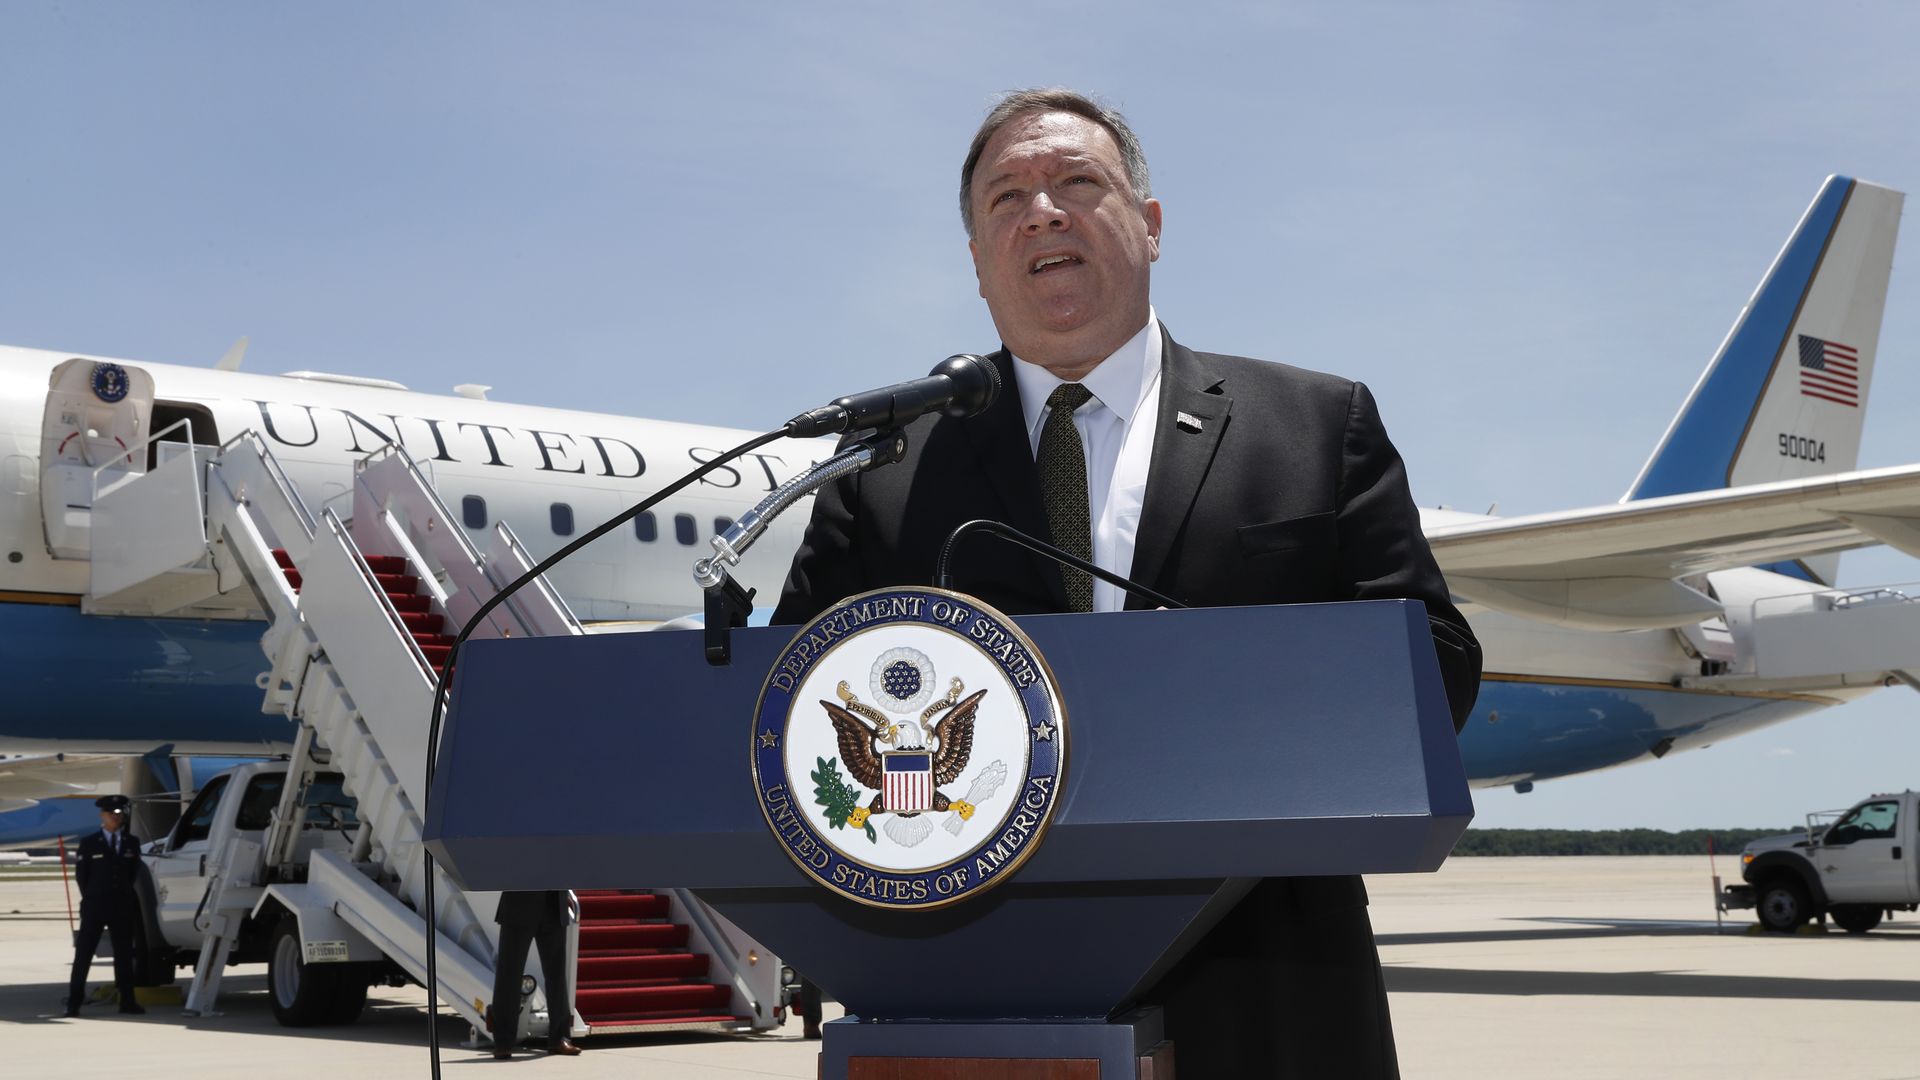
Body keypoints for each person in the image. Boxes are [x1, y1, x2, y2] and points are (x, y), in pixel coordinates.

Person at [771, 88, 1482, 1079]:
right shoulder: (883, 468)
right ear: (978, 260)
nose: (1043, 211)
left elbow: (1437, 671)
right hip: (965, 1004)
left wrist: (1211, 703)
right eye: (1006, 197)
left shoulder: (1317, 425)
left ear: (1149, 226)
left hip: (1270, 993)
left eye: (1077, 182)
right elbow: (789, 704)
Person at [66, 794, 145, 1017]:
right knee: (84, 956)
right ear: (103, 815)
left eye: (119, 813)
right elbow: (82, 877)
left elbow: (132, 874)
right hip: (95, 907)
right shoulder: (90, 843)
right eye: (111, 813)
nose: (116, 817)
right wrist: (93, 898)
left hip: (121, 906)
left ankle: (128, 1002)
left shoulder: (131, 842)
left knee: (123, 956)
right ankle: (74, 1003)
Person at [489, 890, 581, 1058]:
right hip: (520, 904)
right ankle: (503, 1041)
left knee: (557, 975)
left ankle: (559, 1038)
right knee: (509, 975)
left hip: (553, 905)